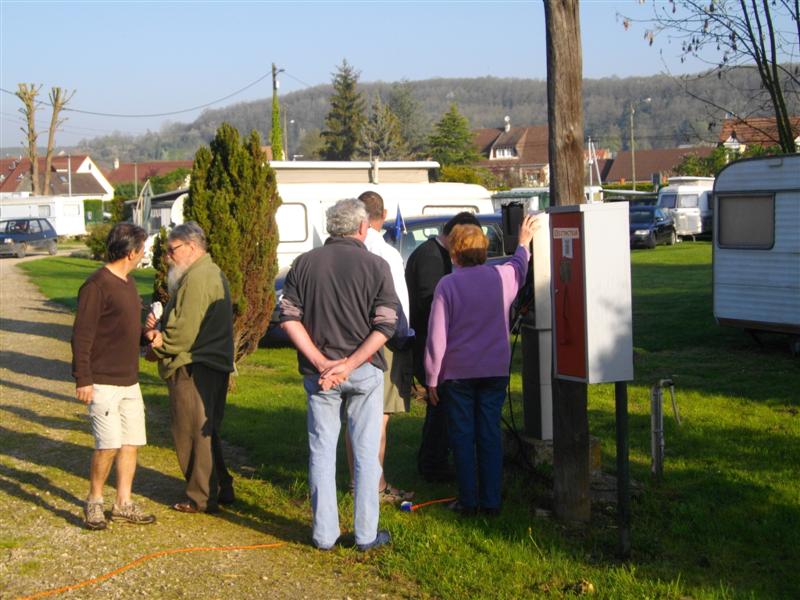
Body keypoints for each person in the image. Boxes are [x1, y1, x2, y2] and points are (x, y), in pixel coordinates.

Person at [279, 198, 398, 551]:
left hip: (320, 376)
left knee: (322, 451)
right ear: (362, 228)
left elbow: (288, 318)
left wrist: (321, 363)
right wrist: (350, 364)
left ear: (332, 228)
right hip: (363, 373)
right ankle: (365, 535)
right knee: (364, 454)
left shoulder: (303, 263)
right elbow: (386, 324)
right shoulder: (376, 265)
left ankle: (324, 535)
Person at [424, 215, 539, 516]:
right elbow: (520, 268)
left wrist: (432, 377)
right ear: (484, 250)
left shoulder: (447, 285)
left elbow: (437, 336)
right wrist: (523, 242)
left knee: (462, 435)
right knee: (488, 433)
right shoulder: (501, 277)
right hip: (494, 369)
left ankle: (468, 499)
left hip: (458, 373)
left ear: (454, 252)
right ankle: (491, 500)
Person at [71, 222, 157, 530]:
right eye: (142, 249)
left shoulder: (129, 284)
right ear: (131, 252)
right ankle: (94, 501)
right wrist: (83, 378)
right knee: (107, 444)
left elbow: (125, 330)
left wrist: (147, 336)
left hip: (129, 381)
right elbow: (82, 336)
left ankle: (123, 503)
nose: (143, 254)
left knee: (131, 443)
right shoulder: (97, 285)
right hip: (103, 382)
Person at [146, 222, 235, 514]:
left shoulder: (198, 278)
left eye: (172, 250)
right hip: (207, 363)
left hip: (195, 367)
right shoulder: (206, 273)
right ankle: (220, 488)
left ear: (192, 248)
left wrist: (158, 346)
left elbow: (183, 332)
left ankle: (200, 497)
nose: (167, 257)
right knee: (206, 433)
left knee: (191, 435)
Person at [404, 212, 481, 482]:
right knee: (440, 410)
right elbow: (428, 303)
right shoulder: (430, 257)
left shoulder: (435, 254)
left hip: (439, 346)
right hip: (430, 345)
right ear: (454, 235)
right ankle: (433, 464)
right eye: (467, 240)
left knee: (442, 409)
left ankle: (434, 461)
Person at [349, 190, 414, 503]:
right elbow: (399, 305)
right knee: (378, 417)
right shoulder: (387, 254)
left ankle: (355, 479)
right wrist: (405, 340)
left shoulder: (348, 250)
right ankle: (375, 485)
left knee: (354, 415)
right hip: (382, 339)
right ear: (383, 215)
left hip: (348, 339)